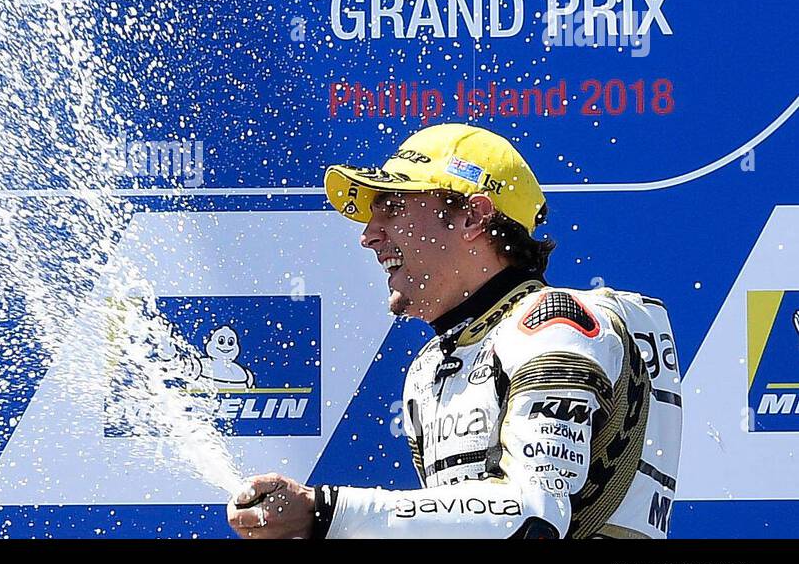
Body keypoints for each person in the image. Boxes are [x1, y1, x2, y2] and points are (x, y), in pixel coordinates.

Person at [226, 123, 682, 539]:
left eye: (391, 206)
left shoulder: (553, 322)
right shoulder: (430, 367)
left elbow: (533, 516)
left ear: (473, 217)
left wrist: (325, 512)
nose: (369, 234)